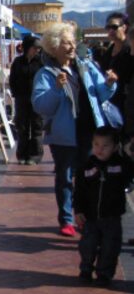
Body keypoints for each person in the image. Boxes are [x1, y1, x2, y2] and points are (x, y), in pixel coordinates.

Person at [32, 22, 117, 237]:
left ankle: (85, 215)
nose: (71, 46)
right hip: (64, 135)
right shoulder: (46, 73)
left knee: (89, 175)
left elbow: (101, 93)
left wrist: (109, 83)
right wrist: (57, 90)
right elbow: (42, 105)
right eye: (66, 42)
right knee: (65, 178)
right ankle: (67, 219)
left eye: (72, 41)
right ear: (54, 47)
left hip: (90, 130)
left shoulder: (86, 65)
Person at [74, 127, 132, 287]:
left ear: (114, 147)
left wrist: (127, 154)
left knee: (110, 248)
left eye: (105, 146)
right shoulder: (86, 166)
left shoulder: (121, 165)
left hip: (112, 216)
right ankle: (86, 269)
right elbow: (79, 191)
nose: (100, 149)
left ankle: (104, 274)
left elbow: (130, 173)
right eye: (96, 144)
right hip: (90, 216)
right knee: (87, 245)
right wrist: (78, 210)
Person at [9, 35, 44, 164]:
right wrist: (15, 93)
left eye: (38, 48)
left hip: (37, 99)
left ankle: (35, 155)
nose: (36, 50)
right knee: (22, 127)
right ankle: (22, 154)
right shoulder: (18, 62)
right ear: (28, 47)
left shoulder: (40, 62)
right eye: (34, 48)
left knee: (36, 126)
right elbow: (12, 79)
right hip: (22, 98)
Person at [98, 12, 132, 122]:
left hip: (126, 104)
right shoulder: (108, 50)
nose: (110, 31)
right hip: (109, 103)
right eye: (108, 27)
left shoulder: (130, 50)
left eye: (114, 27)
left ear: (124, 27)